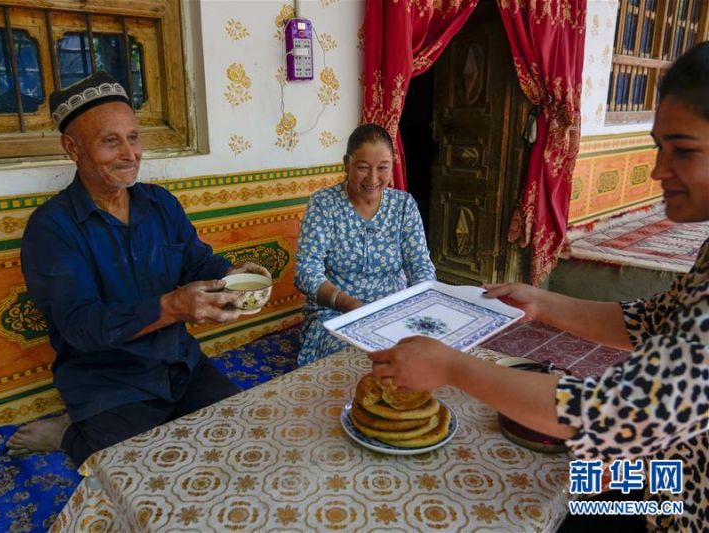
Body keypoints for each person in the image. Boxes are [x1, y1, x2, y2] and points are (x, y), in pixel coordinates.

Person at [368, 41, 709, 531]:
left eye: (684, 150)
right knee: (560, 494)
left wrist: (450, 366)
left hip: (683, 508)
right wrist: (543, 304)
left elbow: (615, 411)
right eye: (659, 147)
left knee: (529, 507)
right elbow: (651, 321)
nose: (658, 170)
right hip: (666, 472)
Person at [6, 71, 269, 467]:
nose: (130, 153)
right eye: (110, 141)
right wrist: (172, 307)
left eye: (133, 137)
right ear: (72, 148)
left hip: (179, 364)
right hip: (108, 382)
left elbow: (198, 262)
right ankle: (69, 435)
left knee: (243, 441)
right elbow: (80, 327)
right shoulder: (51, 228)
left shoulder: (160, 203)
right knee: (143, 472)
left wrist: (233, 273)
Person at [294, 123, 436, 366]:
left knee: (426, 353)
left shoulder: (403, 205)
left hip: (392, 312)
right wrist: (347, 304)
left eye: (383, 167)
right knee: (361, 360)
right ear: (346, 163)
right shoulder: (324, 204)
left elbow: (420, 266)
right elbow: (306, 271)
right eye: (362, 167)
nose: (372, 179)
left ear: (392, 164)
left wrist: (420, 309)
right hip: (336, 314)